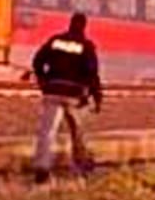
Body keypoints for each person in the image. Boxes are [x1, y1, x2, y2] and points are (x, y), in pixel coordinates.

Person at [31, 12, 103, 183]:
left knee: (47, 131)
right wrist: (97, 98)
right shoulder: (86, 46)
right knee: (77, 133)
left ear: (70, 24)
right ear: (84, 26)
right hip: (74, 96)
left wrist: (44, 80)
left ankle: (42, 168)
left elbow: (37, 61)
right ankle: (81, 166)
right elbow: (93, 75)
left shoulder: (56, 40)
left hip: (52, 91)